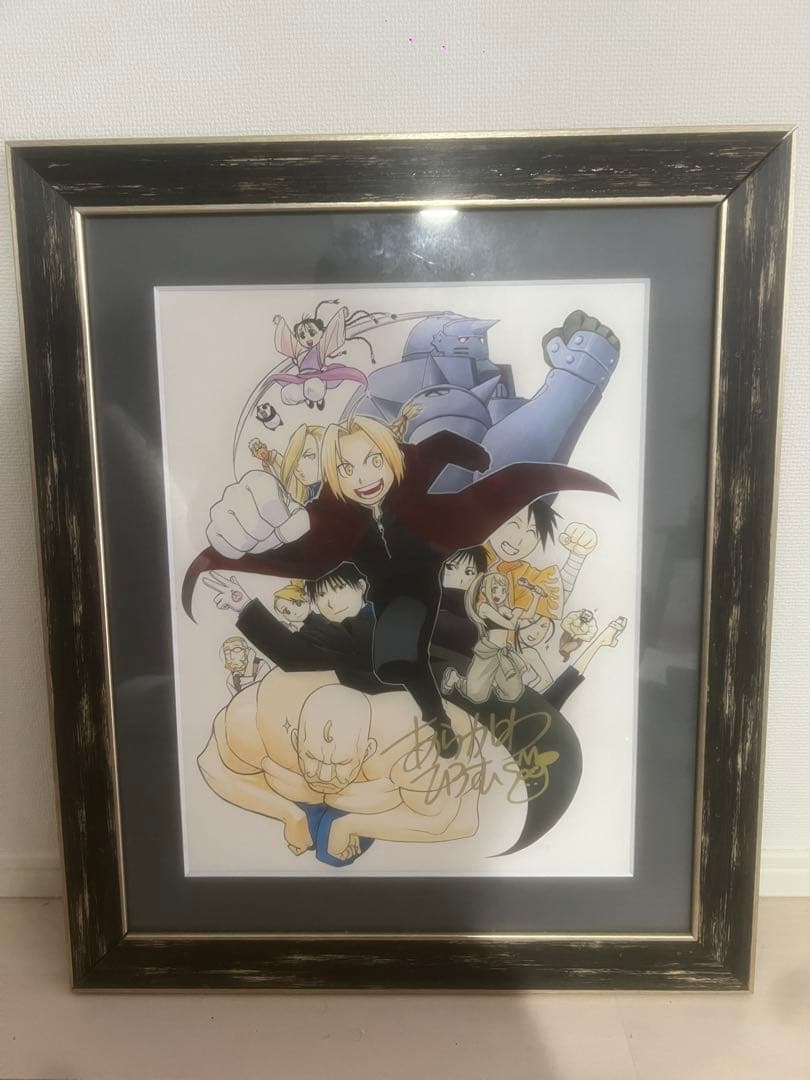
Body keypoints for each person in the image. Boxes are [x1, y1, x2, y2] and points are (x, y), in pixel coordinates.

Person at [184, 416, 614, 756]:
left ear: (389, 456)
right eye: (347, 469)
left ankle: (448, 709)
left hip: (425, 581)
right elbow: (302, 556)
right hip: (388, 598)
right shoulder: (335, 517)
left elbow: (441, 445)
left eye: (374, 461)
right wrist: (233, 553)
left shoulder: (411, 477)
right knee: (393, 663)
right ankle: (437, 716)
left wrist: (476, 456)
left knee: (411, 651)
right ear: (335, 475)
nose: (364, 477)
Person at [197, 671, 482, 867]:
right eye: (312, 758)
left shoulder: (412, 746)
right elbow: (209, 764)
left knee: (329, 853)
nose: (323, 776)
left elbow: (457, 823)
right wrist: (287, 813)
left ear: (367, 749)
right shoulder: (256, 718)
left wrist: (351, 825)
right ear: (295, 739)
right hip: (304, 793)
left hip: (390, 796)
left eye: (340, 763)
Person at [441, 572, 547, 704]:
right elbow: (510, 625)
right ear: (484, 590)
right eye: (494, 589)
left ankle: (491, 682)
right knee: (475, 695)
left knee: (513, 693)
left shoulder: (504, 609)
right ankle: (456, 679)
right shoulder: (484, 608)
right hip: (488, 653)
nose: (499, 594)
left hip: (503, 654)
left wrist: (536, 597)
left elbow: (529, 615)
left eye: (503, 591)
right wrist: (516, 614)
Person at [486, 508, 598, 618]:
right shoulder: (479, 550)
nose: (518, 541)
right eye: (515, 524)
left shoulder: (523, 571)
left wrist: (576, 558)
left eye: (532, 532)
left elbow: (555, 598)